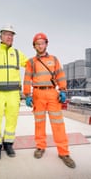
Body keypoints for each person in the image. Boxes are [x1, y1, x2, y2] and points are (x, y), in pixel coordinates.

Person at [23, 33, 76, 168]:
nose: (40, 45)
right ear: (34, 46)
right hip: (38, 94)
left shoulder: (54, 59)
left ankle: (63, 152)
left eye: (42, 43)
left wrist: (63, 90)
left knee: (58, 124)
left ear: (46, 44)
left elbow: (60, 75)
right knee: (39, 123)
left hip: (53, 94)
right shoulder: (31, 62)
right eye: (37, 43)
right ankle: (40, 147)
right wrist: (27, 95)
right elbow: (27, 79)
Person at [0, 24, 28, 160]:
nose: (9, 37)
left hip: (13, 93)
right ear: (1, 36)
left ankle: (8, 144)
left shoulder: (17, 53)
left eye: (11, 35)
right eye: (6, 34)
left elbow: (31, 65)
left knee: (12, 119)